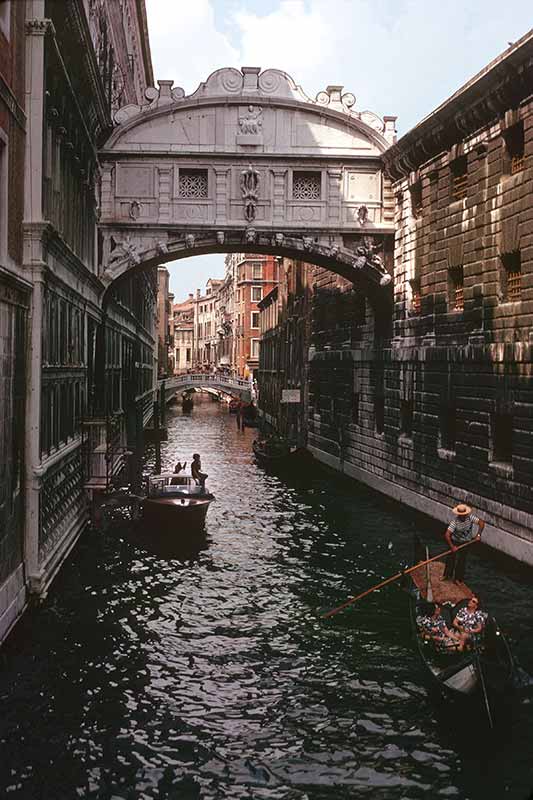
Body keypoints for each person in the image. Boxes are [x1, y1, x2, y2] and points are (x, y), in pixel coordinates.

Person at [443, 503, 484, 583]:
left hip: (466, 542)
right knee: (451, 558)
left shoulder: (470, 518)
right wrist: (452, 546)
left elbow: (481, 523)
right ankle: (447, 575)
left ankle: (458, 579)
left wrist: (478, 535)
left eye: (464, 515)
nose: (463, 516)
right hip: (455, 542)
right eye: (461, 515)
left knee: (462, 560)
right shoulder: (454, 522)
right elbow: (447, 535)